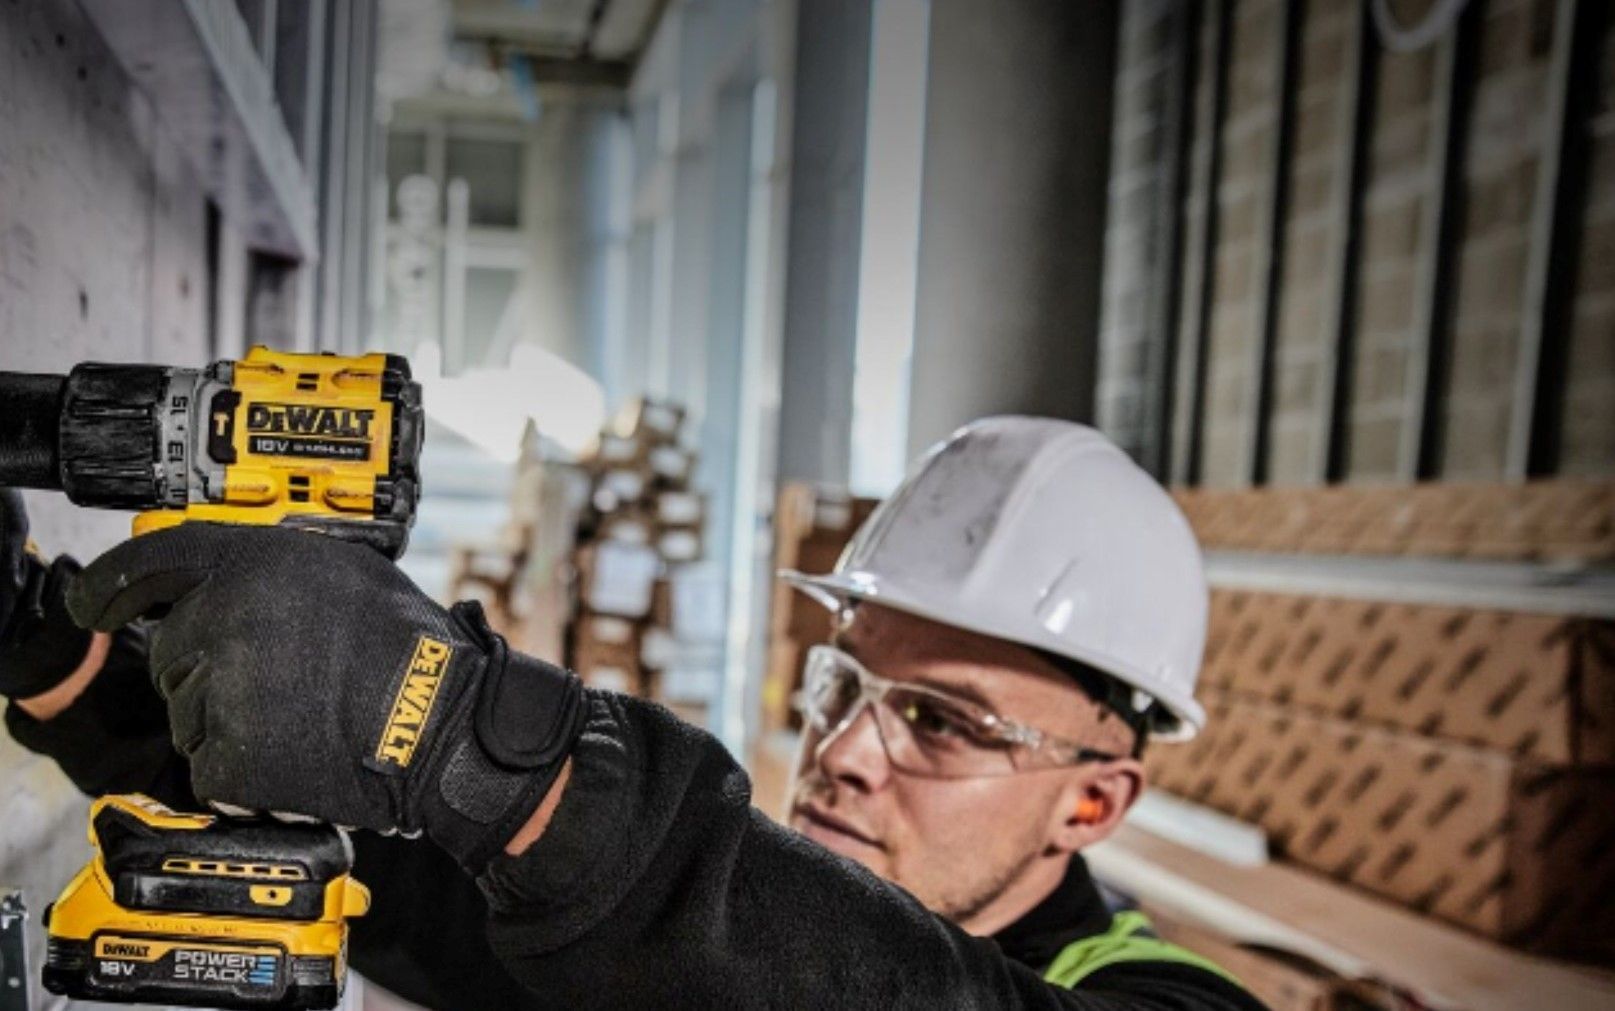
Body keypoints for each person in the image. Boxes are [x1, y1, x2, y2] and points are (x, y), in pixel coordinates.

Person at [3, 418, 1265, 1009]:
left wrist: (493, 755)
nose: (842, 754)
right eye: (844, 687)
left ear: (1093, 798)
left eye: (942, 722)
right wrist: (57, 654)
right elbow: (415, 878)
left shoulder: (1171, 1000)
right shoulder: (731, 954)